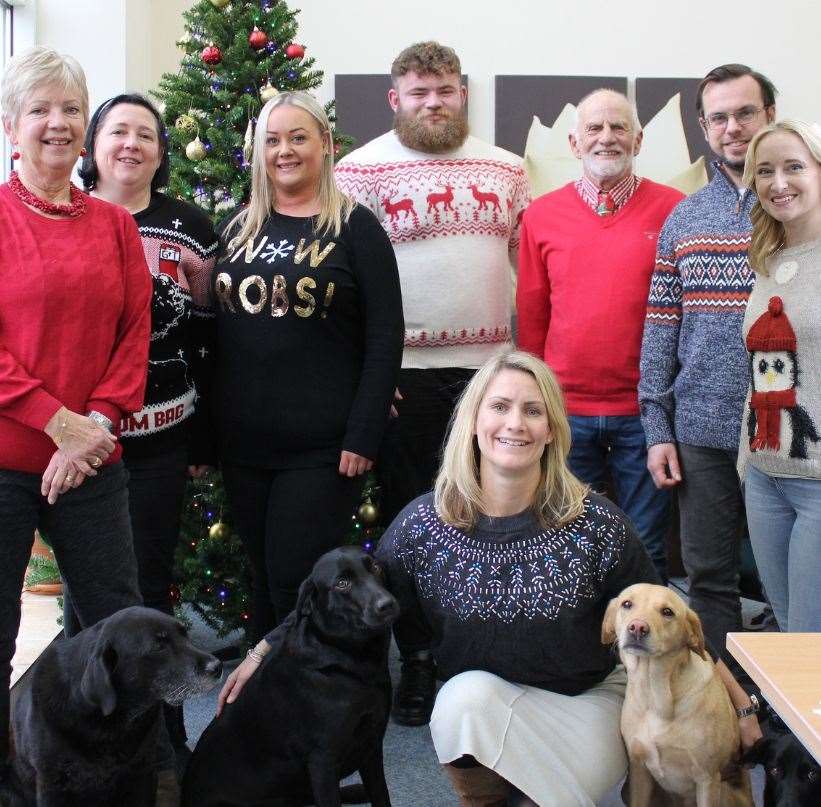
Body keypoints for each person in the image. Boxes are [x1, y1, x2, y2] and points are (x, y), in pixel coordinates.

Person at [218, 351, 762, 806]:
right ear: (474, 420)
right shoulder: (424, 526)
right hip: (492, 702)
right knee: (459, 699)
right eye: (499, 407)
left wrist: (738, 704)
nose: (515, 424)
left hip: (589, 703)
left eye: (533, 411)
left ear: (551, 430)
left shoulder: (595, 522)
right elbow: (347, 592)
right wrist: (266, 648)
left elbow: (674, 620)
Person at [335, 40, 530, 726]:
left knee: (494, 514)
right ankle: (418, 657)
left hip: (489, 375)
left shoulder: (506, 169)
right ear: (394, 99)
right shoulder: (357, 172)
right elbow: (345, 286)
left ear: (462, 93)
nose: (431, 102)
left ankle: (482, 649)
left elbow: (525, 270)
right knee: (411, 521)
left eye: (443, 89)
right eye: (417, 92)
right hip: (402, 378)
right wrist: (369, 373)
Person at [0, 47, 150, 767]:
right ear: (10, 127)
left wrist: (94, 428)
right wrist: (61, 425)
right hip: (5, 462)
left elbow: (133, 333)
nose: (57, 125)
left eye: (69, 110)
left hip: (93, 461)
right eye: (40, 111)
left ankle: (123, 771)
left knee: (119, 630)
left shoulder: (114, 226)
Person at [213, 91, 403, 643]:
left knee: (295, 580)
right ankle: (264, 701)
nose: (285, 151)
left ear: (325, 145)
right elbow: (216, 338)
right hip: (244, 445)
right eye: (272, 140)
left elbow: (386, 337)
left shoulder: (356, 228)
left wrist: (364, 433)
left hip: (323, 449)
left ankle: (305, 701)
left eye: (299, 138)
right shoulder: (238, 228)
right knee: (263, 580)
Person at [66, 93, 218, 760]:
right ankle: (81, 729)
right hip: (80, 442)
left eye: (146, 135)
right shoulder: (71, 218)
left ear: (161, 152)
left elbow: (215, 339)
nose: (132, 144)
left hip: (161, 438)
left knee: (147, 590)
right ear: (92, 145)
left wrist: (205, 296)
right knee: (85, 600)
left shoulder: (190, 224)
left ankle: (163, 739)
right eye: (118, 131)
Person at [517, 89, 683, 583]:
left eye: (618, 128)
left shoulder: (675, 210)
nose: (606, 138)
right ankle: (576, 653)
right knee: (564, 538)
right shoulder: (541, 216)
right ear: (574, 141)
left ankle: (641, 658)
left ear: (638, 138)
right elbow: (532, 313)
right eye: (594, 128)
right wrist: (534, 399)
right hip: (566, 411)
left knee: (646, 544)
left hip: (645, 413)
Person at [639, 64, 778, 653]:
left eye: (745, 113)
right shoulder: (685, 218)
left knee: (792, 584)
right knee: (709, 579)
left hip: (788, 431)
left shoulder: (803, 207)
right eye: (718, 117)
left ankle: (792, 722)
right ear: (703, 127)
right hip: (702, 430)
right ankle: (724, 707)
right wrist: (657, 427)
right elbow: (660, 330)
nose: (733, 128)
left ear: (770, 116)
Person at [737, 119, 821, 632]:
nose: (778, 182)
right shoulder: (767, 260)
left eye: (794, 167)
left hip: (817, 483)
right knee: (791, 635)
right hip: (766, 478)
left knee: (811, 643)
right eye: (764, 171)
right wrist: (749, 462)